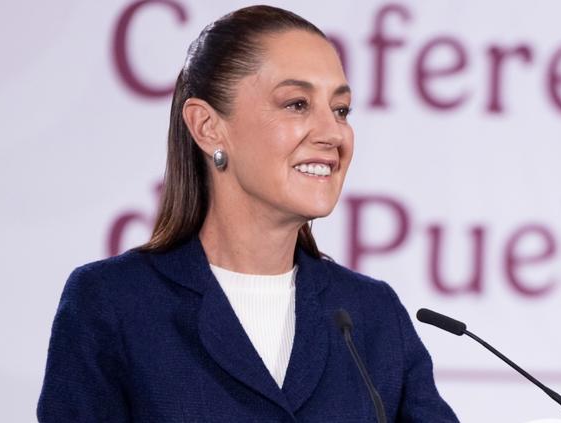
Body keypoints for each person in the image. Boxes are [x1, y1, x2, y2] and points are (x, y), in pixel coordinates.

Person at [37, 5, 458, 422]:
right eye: (297, 104)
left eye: (341, 110)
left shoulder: (372, 315)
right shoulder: (112, 302)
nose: (333, 133)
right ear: (207, 126)